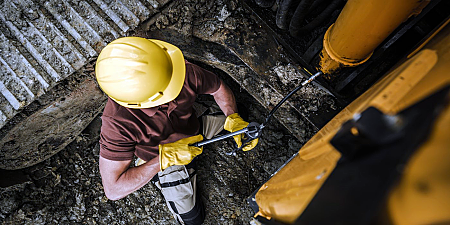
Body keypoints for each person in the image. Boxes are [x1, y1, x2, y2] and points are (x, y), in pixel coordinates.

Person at [95, 37, 257, 225]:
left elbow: (218, 88)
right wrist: (162, 160)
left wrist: (233, 117)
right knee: (193, 220)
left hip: (194, 131)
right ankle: (158, 175)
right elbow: (113, 189)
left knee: (243, 116)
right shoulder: (117, 122)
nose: (176, 84)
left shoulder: (172, 69)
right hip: (161, 158)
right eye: (168, 89)